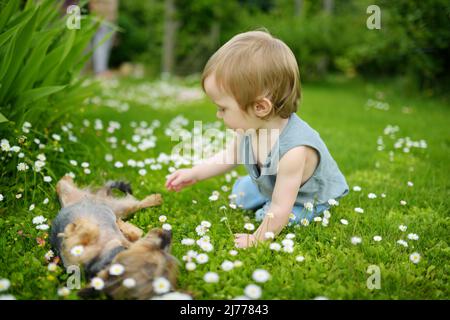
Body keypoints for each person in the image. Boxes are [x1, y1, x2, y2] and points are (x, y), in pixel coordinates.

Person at [165, 30, 349, 248]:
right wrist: (194, 173)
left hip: (306, 197)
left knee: (281, 217)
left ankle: (274, 206)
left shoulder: (293, 151)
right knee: (240, 196)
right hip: (273, 185)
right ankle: (264, 197)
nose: (218, 115)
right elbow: (228, 156)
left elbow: (281, 207)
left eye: (222, 108)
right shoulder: (249, 128)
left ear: (260, 107)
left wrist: (257, 238)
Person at [89, 0, 118, 78]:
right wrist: (96, 17)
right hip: (100, 19)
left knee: (106, 46)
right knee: (100, 45)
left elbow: (114, 7)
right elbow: (92, 3)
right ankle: (99, 71)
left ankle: (102, 69)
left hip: (110, 20)